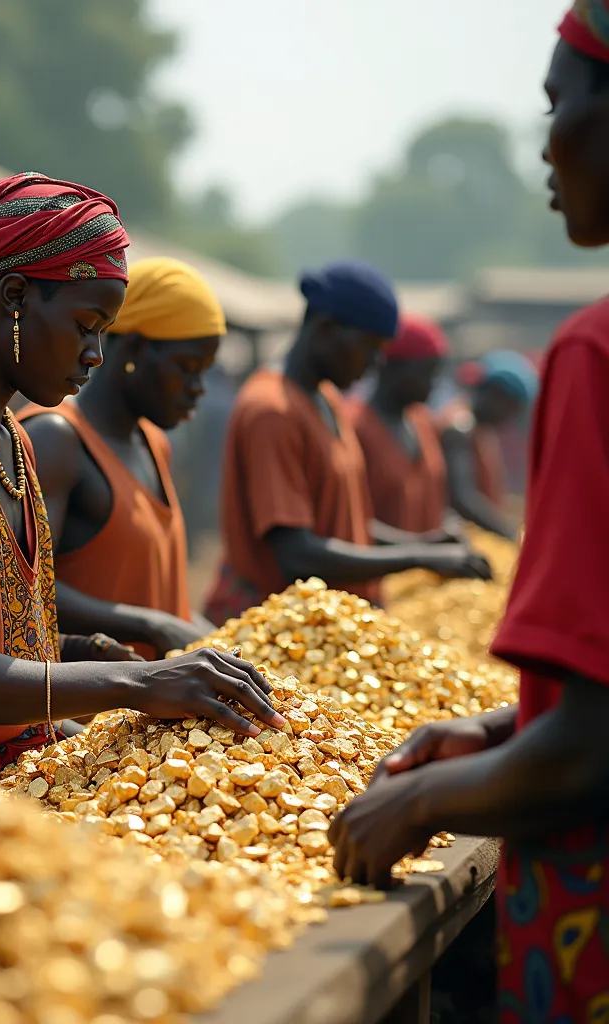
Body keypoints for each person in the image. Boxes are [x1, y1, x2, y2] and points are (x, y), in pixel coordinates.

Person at [0, 173, 286, 776]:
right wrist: (134, 682)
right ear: (14, 295)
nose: (95, 352)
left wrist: (74, 657)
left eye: (103, 333)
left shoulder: (8, 436)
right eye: (86, 325)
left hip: (17, 788)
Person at [329, 6, 609, 1017]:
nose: (542, 141)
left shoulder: (591, 355)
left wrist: (421, 796)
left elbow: (589, 747)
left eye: (557, 103)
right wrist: (505, 723)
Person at [204, 260, 489, 624]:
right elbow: (297, 554)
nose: (375, 363)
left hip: (327, 627)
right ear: (325, 328)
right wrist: (419, 559)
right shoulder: (273, 410)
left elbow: (343, 527)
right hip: (280, 636)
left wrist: (425, 542)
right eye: (370, 347)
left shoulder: (327, 400)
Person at [18, 256, 220, 661]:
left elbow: (147, 589)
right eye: (187, 367)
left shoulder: (153, 443)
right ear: (132, 348)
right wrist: (149, 625)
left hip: (160, 710)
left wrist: (211, 633)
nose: (198, 388)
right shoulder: (55, 439)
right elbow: (23, 587)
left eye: (205, 371)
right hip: (80, 715)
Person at [350, 313, 455, 535]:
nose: (432, 384)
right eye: (426, 373)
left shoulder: (423, 424)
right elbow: (351, 523)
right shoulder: (355, 428)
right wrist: (421, 550)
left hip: (429, 567)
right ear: (391, 367)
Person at [438, 350, 538, 540]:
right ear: (496, 394)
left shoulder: (479, 431)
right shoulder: (459, 428)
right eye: (513, 407)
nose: (512, 417)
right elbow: (462, 498)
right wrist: (509, 535)